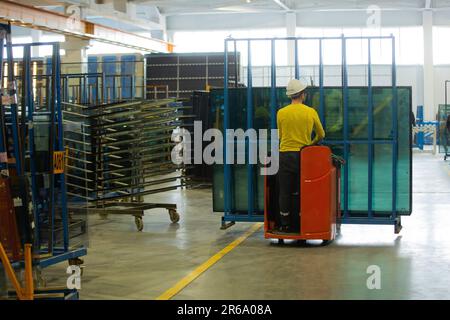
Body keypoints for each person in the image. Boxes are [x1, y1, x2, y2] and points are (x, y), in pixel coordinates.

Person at [276, 79, 325, 232]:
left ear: (290, 96)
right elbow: (321, 134)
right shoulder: (310, 112)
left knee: (284, 191)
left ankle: (285, 223)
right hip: (303, 155)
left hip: (284, 155)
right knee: (301, 190)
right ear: (303, 94)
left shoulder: (281, 113)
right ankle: (301, 221)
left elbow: (281, 135)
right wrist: (310, 143)